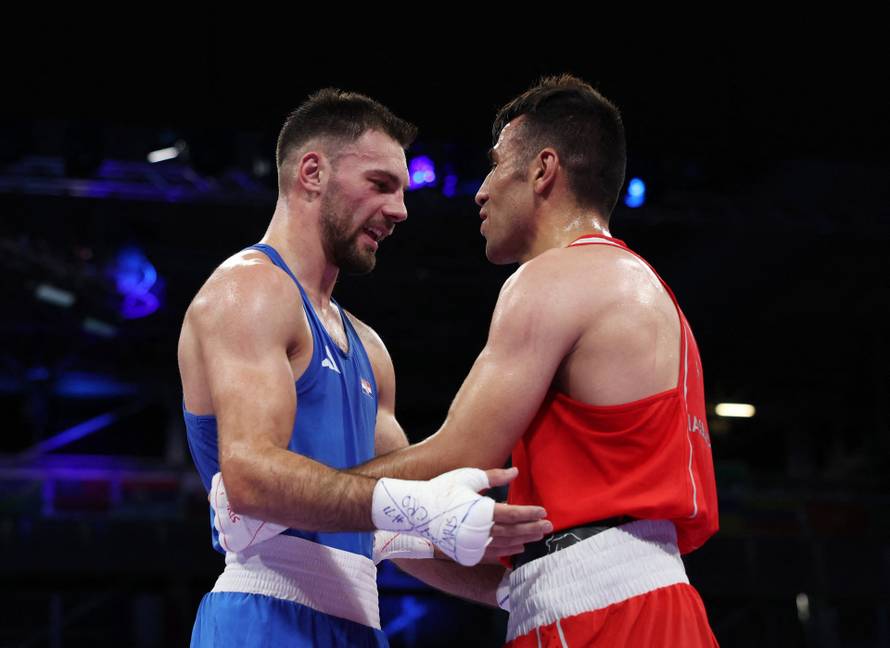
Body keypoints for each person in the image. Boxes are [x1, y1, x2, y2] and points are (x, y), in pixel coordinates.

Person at [344, 74, 721, 646]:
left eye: (495, 165)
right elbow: (540, 562)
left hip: (606, 618)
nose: (481, 189)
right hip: (638, 602)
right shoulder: (641, 286)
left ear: (543, 170)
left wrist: (296, 497)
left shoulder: (555, 276)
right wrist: (392, 534)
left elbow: (459, 456)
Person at [178, 88, 550, 647]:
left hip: (357, 621)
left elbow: (394, 529)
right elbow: (250, 478)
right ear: (311, 173)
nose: (401, 209)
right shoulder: (247, 291)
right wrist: (423, 507)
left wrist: (520, 590)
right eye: (381, 184)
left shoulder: (369, 347)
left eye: (402, 190)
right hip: (264, 614)